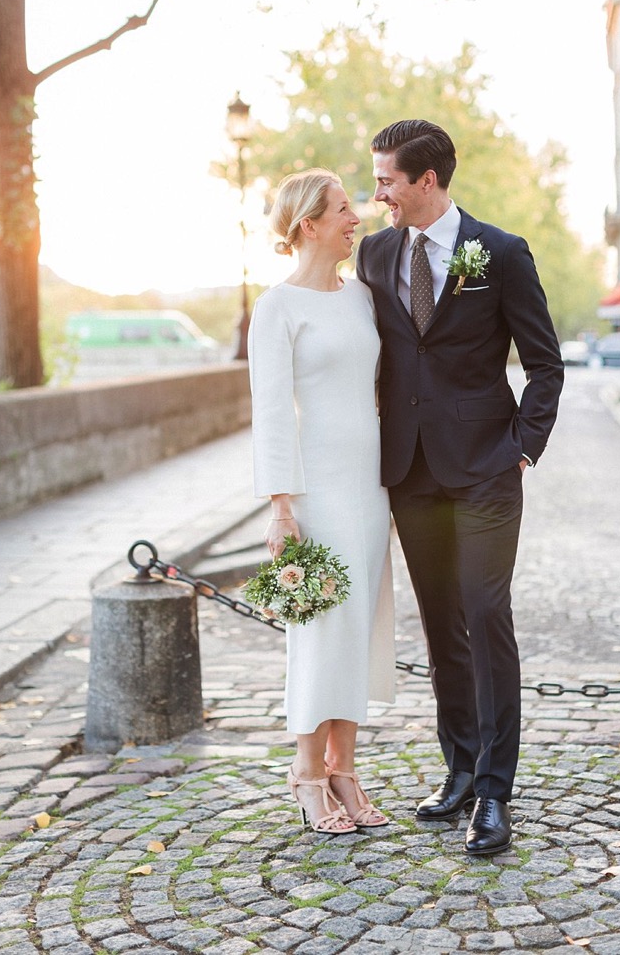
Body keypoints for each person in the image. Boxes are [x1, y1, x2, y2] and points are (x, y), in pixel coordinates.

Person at [356, 119, 563, 856]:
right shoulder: (376, 253)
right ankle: (460, 771)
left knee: (484, 613)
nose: (377, 194)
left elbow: (545, 364)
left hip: (486, 468)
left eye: (387, 181)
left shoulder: (499, 253)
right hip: (410, 471)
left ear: (427, 181)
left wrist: (523, 450)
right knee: (442, 624)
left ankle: (496, 795)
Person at [248, 168, 396, 836]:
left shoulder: (363, 297)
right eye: (342, 209)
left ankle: (345, 767)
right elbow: (273, 414)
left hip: (372, 483)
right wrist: (282, 507)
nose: (354, 217)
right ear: (309, 224)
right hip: (317, 489)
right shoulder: (278, 307)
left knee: (359, 623)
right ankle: (307, 773)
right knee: (319, 629)